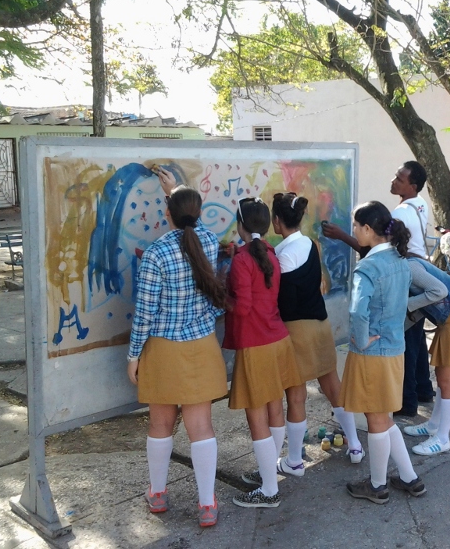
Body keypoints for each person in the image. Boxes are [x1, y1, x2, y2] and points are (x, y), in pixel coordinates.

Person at [126, 170, 228, 527]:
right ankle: (206, 504)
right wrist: (177, 193)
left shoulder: (156, 254)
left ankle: (157, 494)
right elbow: (193, 227)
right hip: (201, 346)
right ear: (199, 214)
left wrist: (133, 355)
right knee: (201, 426)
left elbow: (145, 312)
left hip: (164, 350)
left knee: (160, 423)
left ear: (167, 213)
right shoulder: (209, 242)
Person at [323, 160, 434, 418]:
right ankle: (423, 389)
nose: (393, 181)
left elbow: (371, 249)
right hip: (411, 274)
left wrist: (341, 235)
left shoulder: (399, 217)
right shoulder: (419, 205)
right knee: (414, 338)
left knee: (407, 340)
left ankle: (405, 401)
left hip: (403, 280)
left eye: (400, 179)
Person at [271, 192, 365, 475]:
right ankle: (356, 445)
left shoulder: (282, 256)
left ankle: (295, 461)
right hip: (320, 323)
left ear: (276, 221)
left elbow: (282, 300)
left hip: (295, 328)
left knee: (296, 395)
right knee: (333, 385)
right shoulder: (310, 244)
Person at [341, 201, 425, 504]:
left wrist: (361, 340)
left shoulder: (369, 266)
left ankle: (377, 485)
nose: (353, 231)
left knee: (376, 419)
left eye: (354, 226)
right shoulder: (401, 260)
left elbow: (358, 312)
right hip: (394, 349)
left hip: (372, 353)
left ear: (367, 229)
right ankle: (409, 478)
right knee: (384, 418)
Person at [224, 197, 302, 509]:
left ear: (240, 225)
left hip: (255, 344)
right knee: (274, 408)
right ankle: (269, 474)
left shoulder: (242, 260)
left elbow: (241, 307)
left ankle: (269, 490)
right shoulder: (269, 252)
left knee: (256, 417)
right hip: (277, 338)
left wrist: (220, 294)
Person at [402, 255, 450, 455]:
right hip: (448, 321)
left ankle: (442, 438)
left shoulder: (409, 266)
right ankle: (433, 426)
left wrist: (407, 304)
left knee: (447, 381)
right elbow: (422, 306)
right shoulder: (406, 266)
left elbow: (439, 291)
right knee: (441, 377)